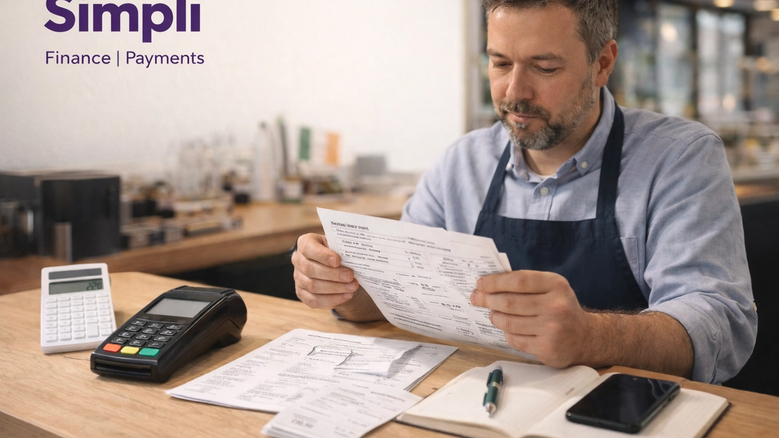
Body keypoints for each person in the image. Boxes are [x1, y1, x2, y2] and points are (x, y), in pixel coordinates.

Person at [291, 0, 757, 384]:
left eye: (545, 67)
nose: (515, 91)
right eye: (500, 63)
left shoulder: (680, 158)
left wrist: (590, 336)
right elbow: (403, 296)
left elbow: (720, 321)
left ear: (603, 63)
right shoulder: (462, 163)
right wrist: (348, 290)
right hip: (477, 403)